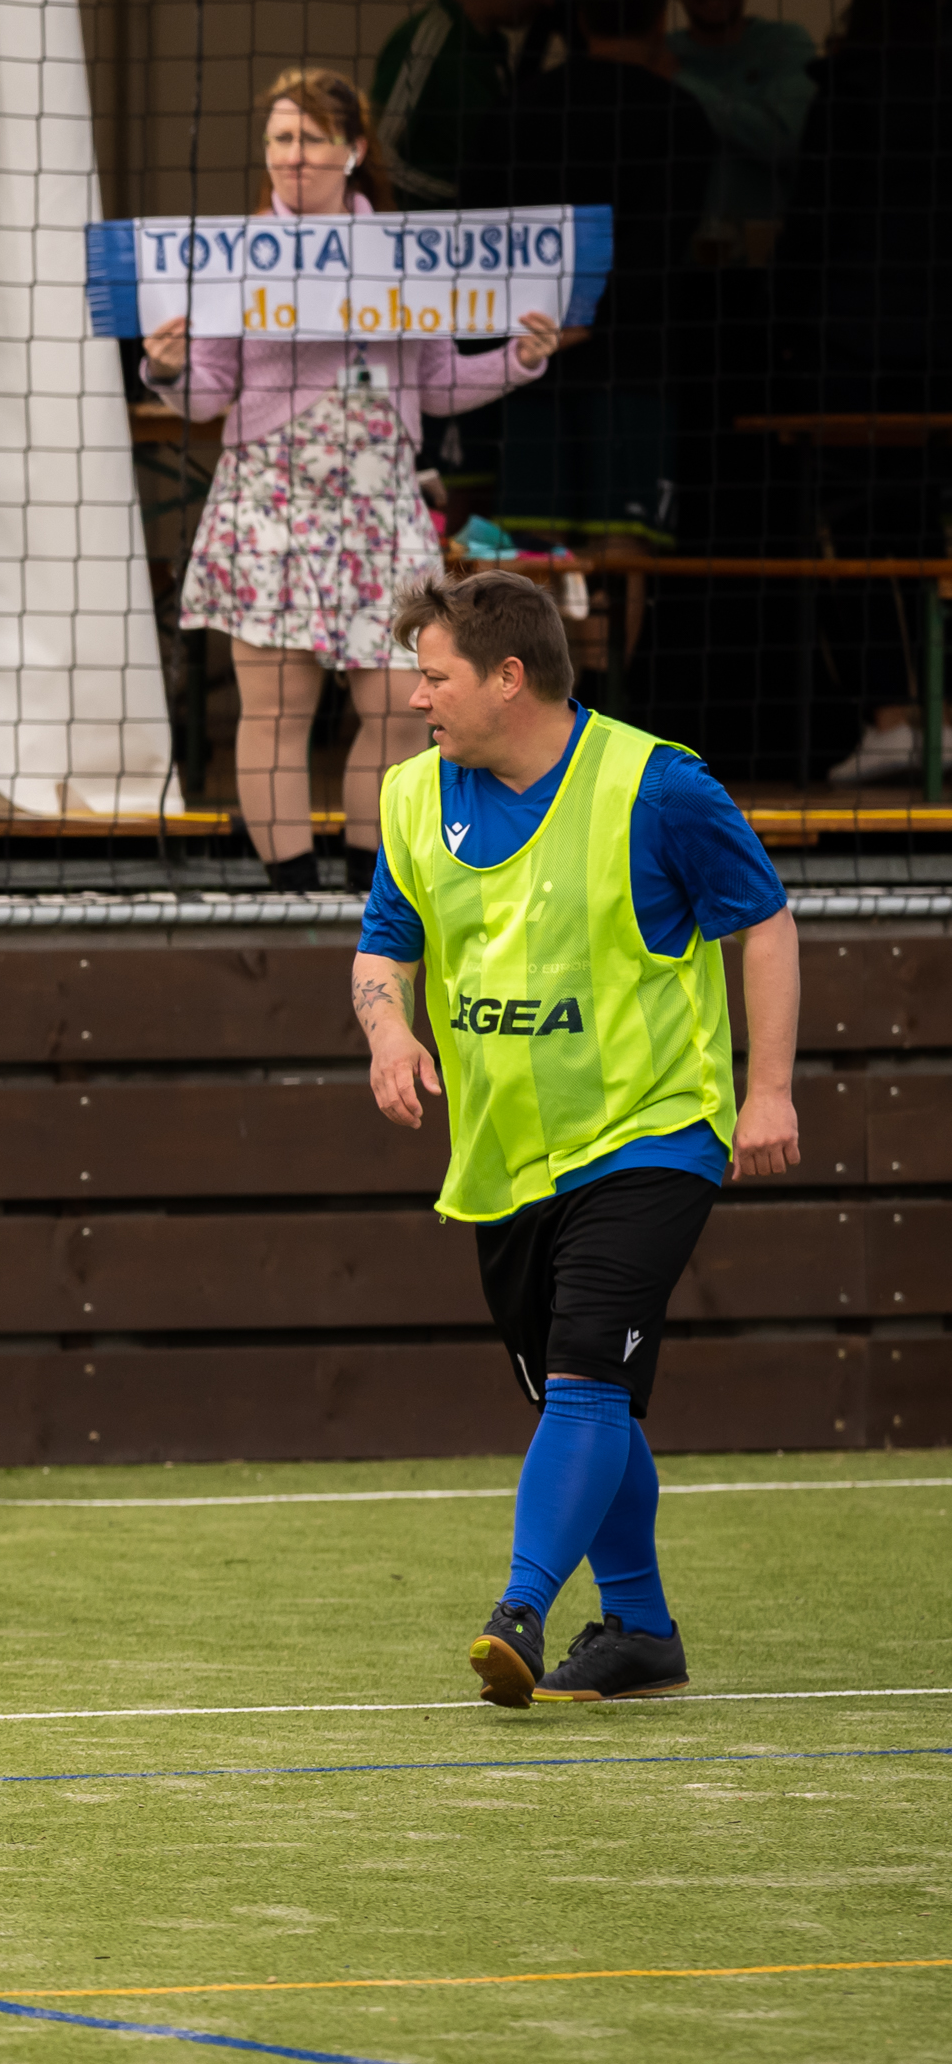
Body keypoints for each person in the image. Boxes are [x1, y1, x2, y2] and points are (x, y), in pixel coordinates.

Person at [350, 569, 798, 1709]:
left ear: (510, 678)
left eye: (435, 674)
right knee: (586, 1398)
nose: (415, 699)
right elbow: (382, 944)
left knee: (586, 1370)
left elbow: (766, 920)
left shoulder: (660, 786)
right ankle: (642, 1631)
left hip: (653, 1132)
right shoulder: (414, 797)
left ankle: (519, 1608)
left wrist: (770, 1089)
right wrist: (389, 1031)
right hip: (504, 1158)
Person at [141, 69, 568, 891]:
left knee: (400, 712)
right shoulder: (231, 256)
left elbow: (436, 383)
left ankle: (368, 888)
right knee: (274, 712)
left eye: (308, 138)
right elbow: (209, 393)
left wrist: (516, 360)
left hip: (381, 509)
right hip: (268, 507)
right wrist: (165, 369)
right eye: (277, 139)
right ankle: (290, 892)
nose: (289, 156)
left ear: (354, 149)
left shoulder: (406, 256)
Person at [476, 0, 723, 675]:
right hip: (634, 356)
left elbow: (480, 236)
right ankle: (602, 715)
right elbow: (673, 242)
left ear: (578, 16)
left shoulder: (515, 110)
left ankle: (541, 722)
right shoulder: (680, 115)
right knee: (621, 547)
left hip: (529, 352)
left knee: (529, 545)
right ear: (659, 18)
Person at [774, 0, 952, 782]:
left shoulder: (846, 87)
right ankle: (940, 711)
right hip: (935, 353)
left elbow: (812, 222)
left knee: (854, 527)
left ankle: (892, 712)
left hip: (852, 345)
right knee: (931, 528)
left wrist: (786, 325)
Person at [370, 0, 572, 208]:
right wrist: (462, 198)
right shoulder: (427, 40)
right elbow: (377, 155)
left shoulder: (493, 51)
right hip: (422, 245)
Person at [668, 0, 820, 269]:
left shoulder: (785, 43)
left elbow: (785, 140)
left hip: (769, 267)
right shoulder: (663, 52)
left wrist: (680, 80)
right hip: (678, 268)